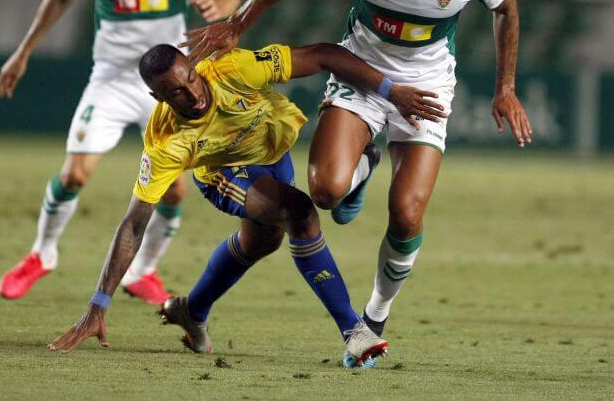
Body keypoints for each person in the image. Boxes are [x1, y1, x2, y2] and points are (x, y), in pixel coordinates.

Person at [182, 0, 533, 367]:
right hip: (359, 78)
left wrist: (506, 87)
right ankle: (363, 164)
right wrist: (238, 23)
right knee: (325, 192)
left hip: (429, 89)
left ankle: (375, 316)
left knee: (407, 215)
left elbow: (508, 10)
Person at [46, 42, 445, 368]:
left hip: (271, 156)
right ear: (158, 98)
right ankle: (354, 331)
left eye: (191, 79)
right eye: (176, 93)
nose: (193, 94)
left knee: (262, 241)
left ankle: (192, 309)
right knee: (300, 213)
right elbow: (134, 223)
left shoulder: (234, 69)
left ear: (194, 67)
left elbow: (326, 55)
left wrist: (391, 90)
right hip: (224, 175)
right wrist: (99, 303)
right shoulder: (165, 141)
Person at [0, 0, 241, 304]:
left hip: (169, 89)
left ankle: (143, 271)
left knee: (175, 185)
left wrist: (220, 9)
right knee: (75, 173)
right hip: (110, 78)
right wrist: (23, 51)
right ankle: (42, 254)